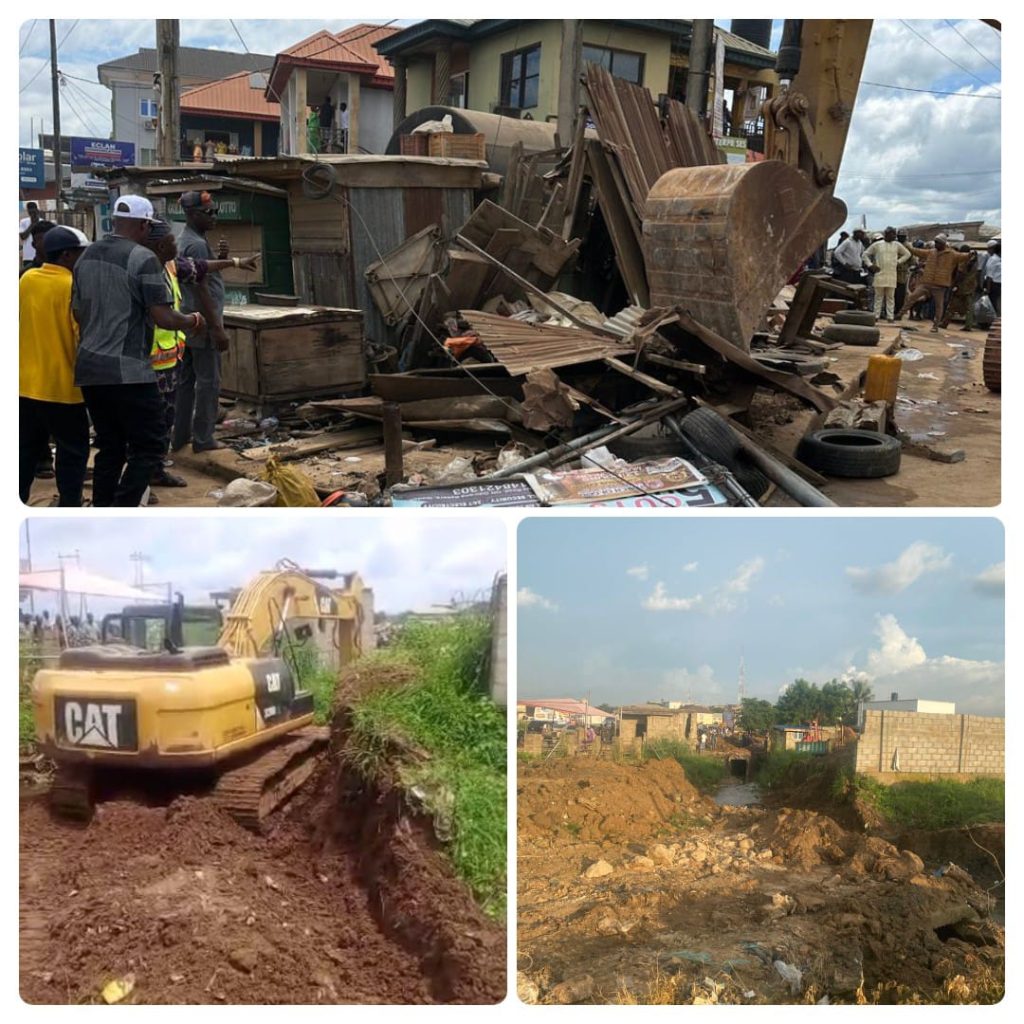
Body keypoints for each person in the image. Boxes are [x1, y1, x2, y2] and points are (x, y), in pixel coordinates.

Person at [72, 194, 204, 507]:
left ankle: (104, 509)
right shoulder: (142, 258)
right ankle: (124, 506)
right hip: (129, 371)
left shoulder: (85, 257)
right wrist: (193, 320)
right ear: (144, 225)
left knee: (110, 447)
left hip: (90, 369)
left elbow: (77, 312)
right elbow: (164, 317)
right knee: (150, 444)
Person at [147, 218, 260, 482]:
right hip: (178, 341)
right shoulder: (191, 246)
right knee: (208, 382)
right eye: (208, 211)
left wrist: (233, 261)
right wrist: (212, 325)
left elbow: (200, 268)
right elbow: (201, 285)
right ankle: (203, 439)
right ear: (163, 245)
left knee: (185, 386)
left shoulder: (175, 259)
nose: (214, 215)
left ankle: (179, 439)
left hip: (177, 343)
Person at [20, 226, 92, 506]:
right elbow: (82, 336)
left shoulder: (27, 280)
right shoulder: (72, 286)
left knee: (25, 450)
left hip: (25, 386)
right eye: (80, 254)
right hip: (63, 388)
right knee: (72, 452)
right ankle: (69, 505)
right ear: (66, 255)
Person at [900, 233, 972, 331]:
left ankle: (935, 326)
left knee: (939, 306)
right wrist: (908, 246)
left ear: (943, 244)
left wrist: (970, 254)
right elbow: (917, 252)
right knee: (912, 297)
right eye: (935, 242)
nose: (935, 244)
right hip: (926, 283)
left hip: (940, 285)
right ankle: (900, 314)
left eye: (937, 243)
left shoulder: (952, 254)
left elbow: (963, 256)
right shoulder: (931, 252)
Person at [863, 227, 912, 321]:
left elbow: (907, 254)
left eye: (894, 234)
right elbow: (865, 255)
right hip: (880, 273)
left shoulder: (897, 245)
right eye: (892, 234)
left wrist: (898, 262)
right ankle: (876, 316)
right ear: (886, 234)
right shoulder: (877, 245)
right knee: (878, 297)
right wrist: (870, 265)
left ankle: (890, 317)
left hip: (891, 274)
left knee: (890, 297)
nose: (894, 236)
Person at [938, 246, 980, 331]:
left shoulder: (963, 260)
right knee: (969, 307)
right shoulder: (974, 261)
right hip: (970, 287)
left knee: (952, 305)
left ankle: (944, 323)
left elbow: (960, 274)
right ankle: (968, 325)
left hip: (961, 287)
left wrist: (955, 284)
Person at [894, 230, 912, 320]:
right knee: (892, 292)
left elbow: (912, 260)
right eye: (899, 236)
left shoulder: (908, 246)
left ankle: (898, 311)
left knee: (900, 293)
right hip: (893, 270)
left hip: (902, 272)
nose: (901, 237)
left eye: (902, 236)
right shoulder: (895, 244)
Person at [19, 201, 41, 269]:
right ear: (28, 211)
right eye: (30, 212)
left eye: (34, 212)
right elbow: (23, 237)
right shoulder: (23, 222)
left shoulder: (42, 222)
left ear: (37, 211)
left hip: (40, 256)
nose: (32, 214)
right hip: (28, 256)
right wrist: (32, 224)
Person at [982, 239, 1001, 316]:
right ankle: (992, 322)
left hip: (998, 284)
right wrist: (988, 289)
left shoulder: (1000, 259)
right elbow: (989, 275)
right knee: (993, 304)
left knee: (997, 303)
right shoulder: (993, 260)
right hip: (994, 284)